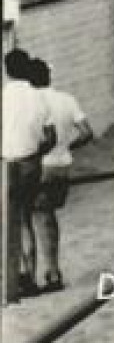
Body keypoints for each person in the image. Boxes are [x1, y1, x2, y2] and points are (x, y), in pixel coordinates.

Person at [27, 59, 92, 294]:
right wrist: (66, 147)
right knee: (47, 217)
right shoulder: (66, 99)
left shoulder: (32, 103)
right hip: (62, 166)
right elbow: (86, 132)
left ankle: (47, 274)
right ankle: (51, 270)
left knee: (36, 219)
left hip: (39, 166)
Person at [3, 38, 56, 302]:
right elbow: (51, 136)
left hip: (6, 164)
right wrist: (36, 153)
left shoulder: (3, 96)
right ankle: (30, 276)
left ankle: (12, 278)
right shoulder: (38, 96)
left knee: (9, 220)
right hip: (31, 162)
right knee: (25, 219)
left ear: (7, 70)